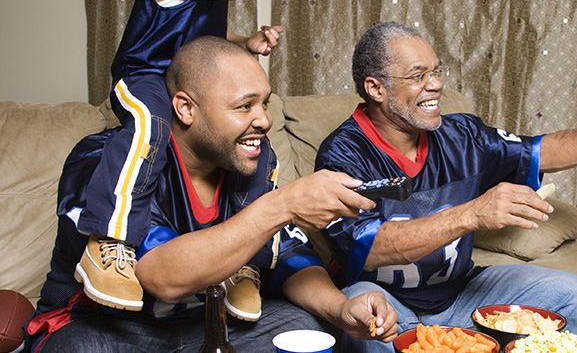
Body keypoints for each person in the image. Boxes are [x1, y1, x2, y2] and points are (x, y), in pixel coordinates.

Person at [315, 22, 577, 352]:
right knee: (368, 312)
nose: (436, 84)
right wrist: (471, 214)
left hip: (461, 297)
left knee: (565, 290)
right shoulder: (343, 153)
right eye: (418, 75)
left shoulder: (462, 134)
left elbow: (540, 151)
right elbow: (368, 249)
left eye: (437, 71)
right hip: (389, 304)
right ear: (375, 87)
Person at [24, 37, 398, 353]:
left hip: (211, 325)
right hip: (112, 329)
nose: (264, 120)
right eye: (244, 106)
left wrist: (343, 308)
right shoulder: (108, 160)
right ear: (186, 108)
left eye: (265, 103)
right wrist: (280, 206)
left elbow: (288, 255)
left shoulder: (249, 164)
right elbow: (162, 277)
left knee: (303, 327)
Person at [73, 0, 325, 317]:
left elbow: (201, 38)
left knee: (256, 145)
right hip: (146, 75)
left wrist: (245, 42)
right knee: (152, 125)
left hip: (186, 78)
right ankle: (109, 243)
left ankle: (243, 263)